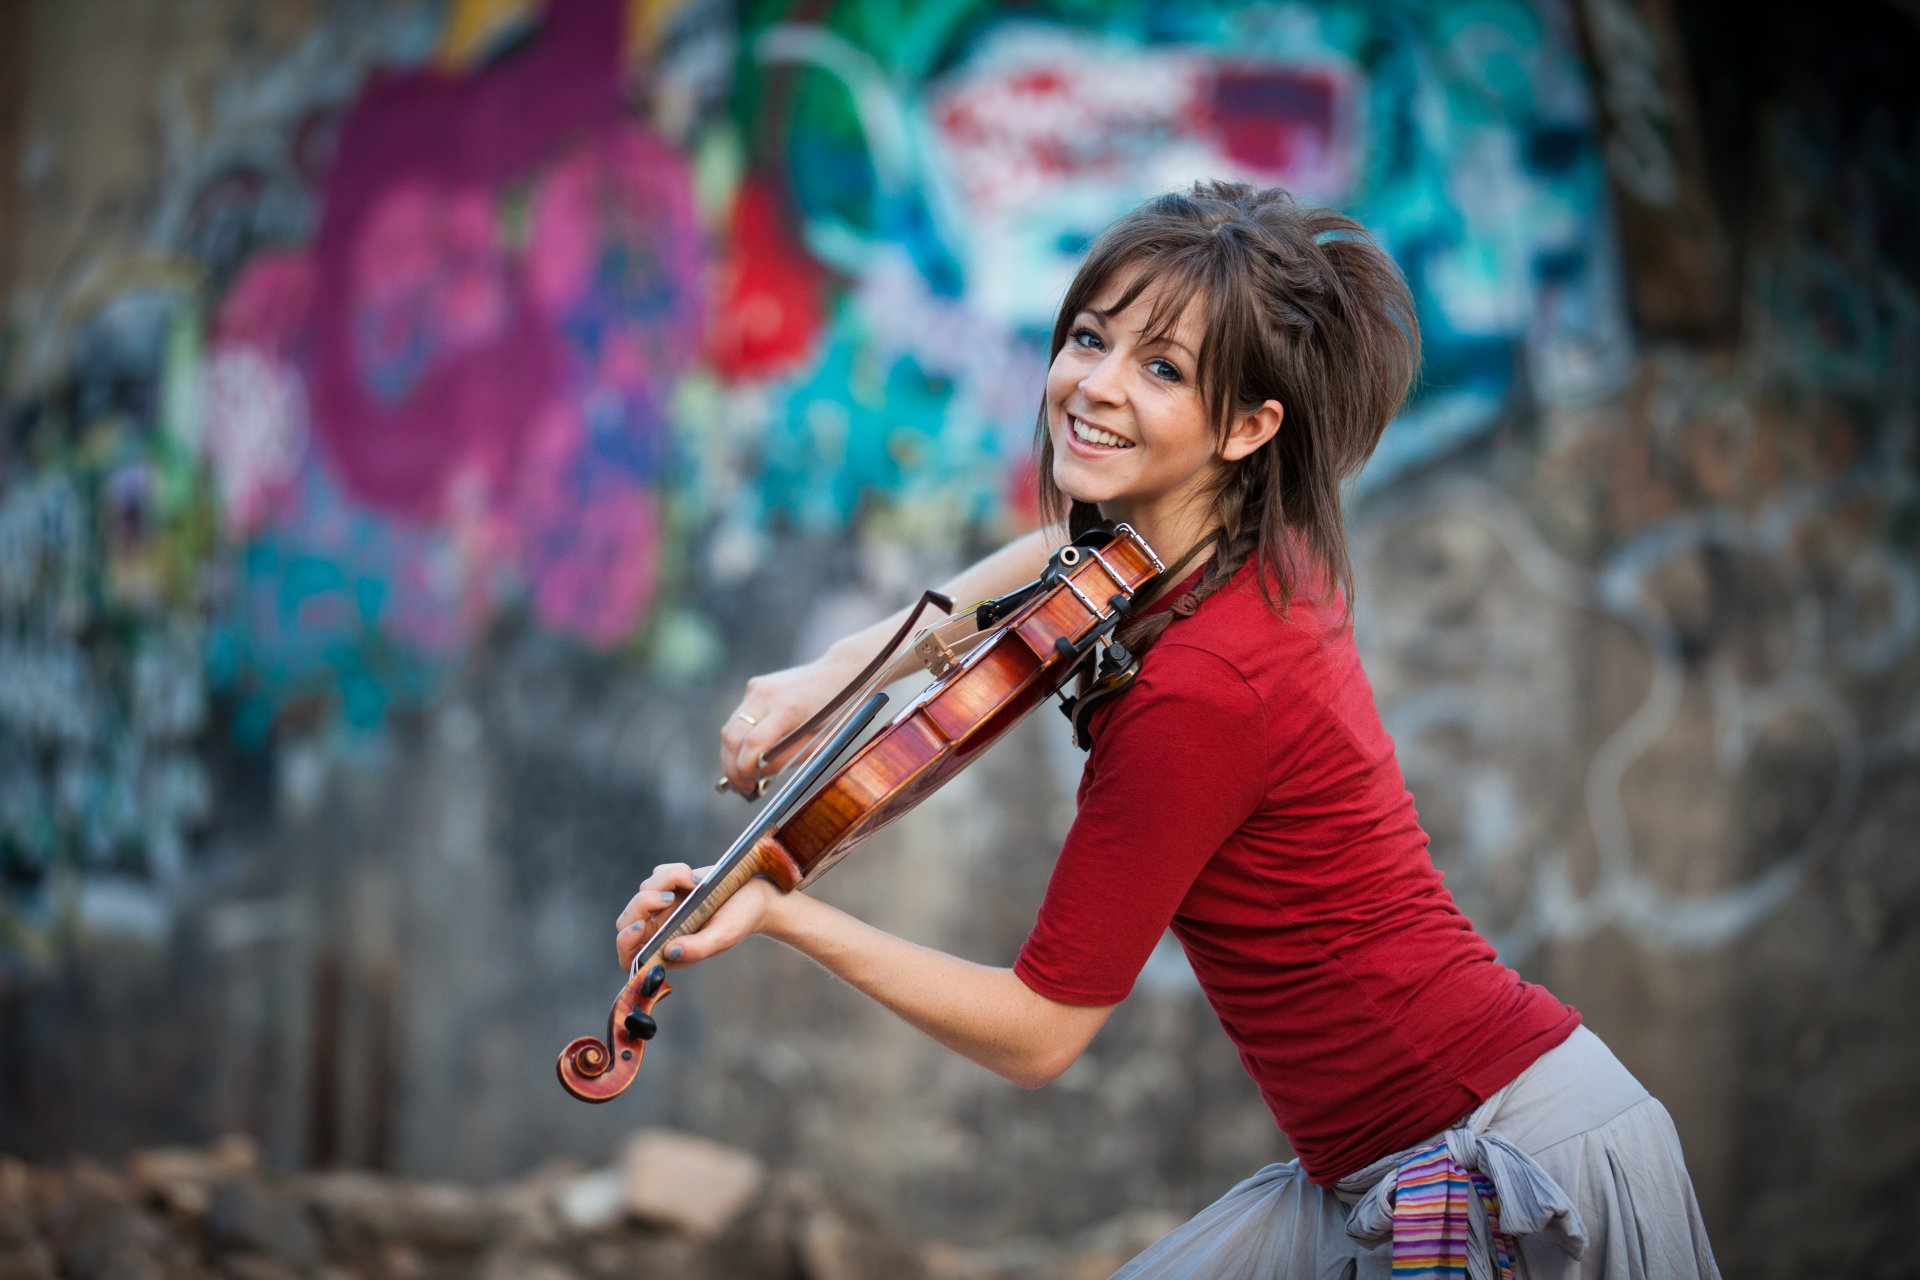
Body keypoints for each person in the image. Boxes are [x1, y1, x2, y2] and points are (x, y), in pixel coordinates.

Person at [616, 181, 1721, 1279]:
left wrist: (784, 911)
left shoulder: (1200, 688)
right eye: (1088, 339)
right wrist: (836, 667)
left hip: (1506, 1159)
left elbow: (1039, 1028)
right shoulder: (1242, 541)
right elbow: (1052, 567)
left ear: (1248, 426)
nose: (1093, 388)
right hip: (1387, 1156)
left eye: (1162, 368)